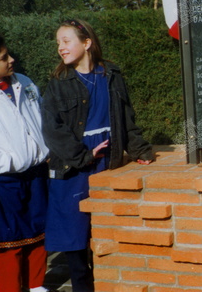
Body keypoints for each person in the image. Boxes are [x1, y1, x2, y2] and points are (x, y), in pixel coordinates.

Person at [41, 19, 154, 292]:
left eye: (66, 41)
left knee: (103, 227)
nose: (61, 48)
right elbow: (51, 129)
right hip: (74, 164)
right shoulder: (58, 83)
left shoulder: (111, 76)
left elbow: (127, 118)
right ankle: (83, 286)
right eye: (58, 43)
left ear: (87, 43)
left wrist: (140, 150)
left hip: (107, 160)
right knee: (74, 233)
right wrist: (82, 155)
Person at [0, 33, 50, 292]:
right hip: (5, 180)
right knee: (10, 243)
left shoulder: (24, 83)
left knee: (39, 234)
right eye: (4, 57)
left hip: (37, 174)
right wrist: (9, 162)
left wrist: (45, 149)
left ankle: (37, 286)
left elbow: (40, 120)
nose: (12, 59)